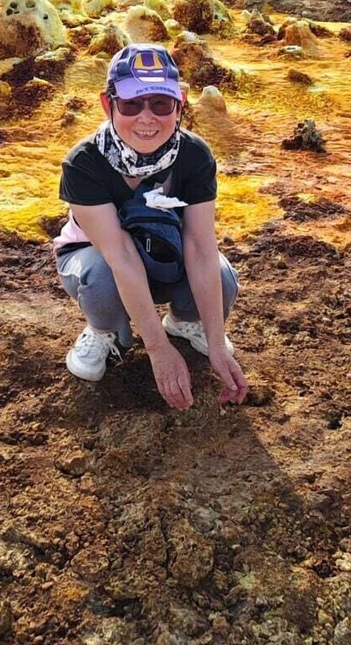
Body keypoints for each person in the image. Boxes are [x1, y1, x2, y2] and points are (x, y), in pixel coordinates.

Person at [54, 43, 248, 412]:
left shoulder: (195, 155)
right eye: (131, 104)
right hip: (102, 261)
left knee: (222, 276)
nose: (147, 118)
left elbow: (200, 248)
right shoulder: (82, 164)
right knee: (101, 276)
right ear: (108, 104)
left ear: (181, 103)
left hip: (166, 255)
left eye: (161, 103)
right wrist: (157, 349)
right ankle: (105, 330)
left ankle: (185, 321)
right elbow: (121, 255)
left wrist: (217, 343)